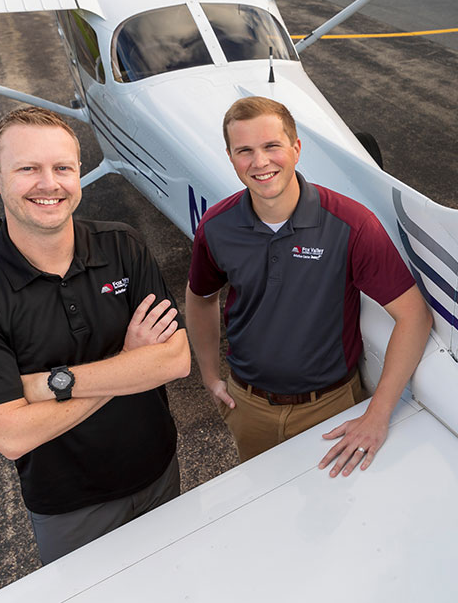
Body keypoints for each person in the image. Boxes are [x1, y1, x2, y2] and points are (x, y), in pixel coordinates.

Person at [0, 106, 190, 564]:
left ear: (78, 174)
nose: (49, 184)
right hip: (70, 508)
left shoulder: (123, 245)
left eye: (62, 168)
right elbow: (12, 435)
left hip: (161, 475)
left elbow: (175, 361)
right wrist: (130, 361)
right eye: (28, 169)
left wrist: (48, 385)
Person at [185, 96, 432, 476]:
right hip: (248, 407)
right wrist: (209, 376)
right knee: (262, 499)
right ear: (231, 158)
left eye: (271, 146)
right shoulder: (217, 226)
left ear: (296, 149)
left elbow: (414, 316)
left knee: (336, 508)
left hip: (329, 408)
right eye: (245, 151)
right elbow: (201, 297)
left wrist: (377, 413)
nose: (260, 162)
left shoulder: (352, 225)